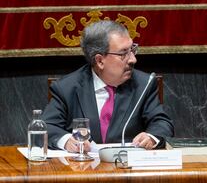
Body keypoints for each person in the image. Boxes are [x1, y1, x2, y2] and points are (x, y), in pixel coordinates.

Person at [42, 20, 174, 152]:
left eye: (132, 49)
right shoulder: (67, 88)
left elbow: (162, 123)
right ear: (100, 61)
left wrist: (151, 137)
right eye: (123, 53)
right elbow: (47, 126)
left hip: (128, 167)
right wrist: (66, 141)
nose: (133, 59)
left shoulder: (143, 84)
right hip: (83, 168)